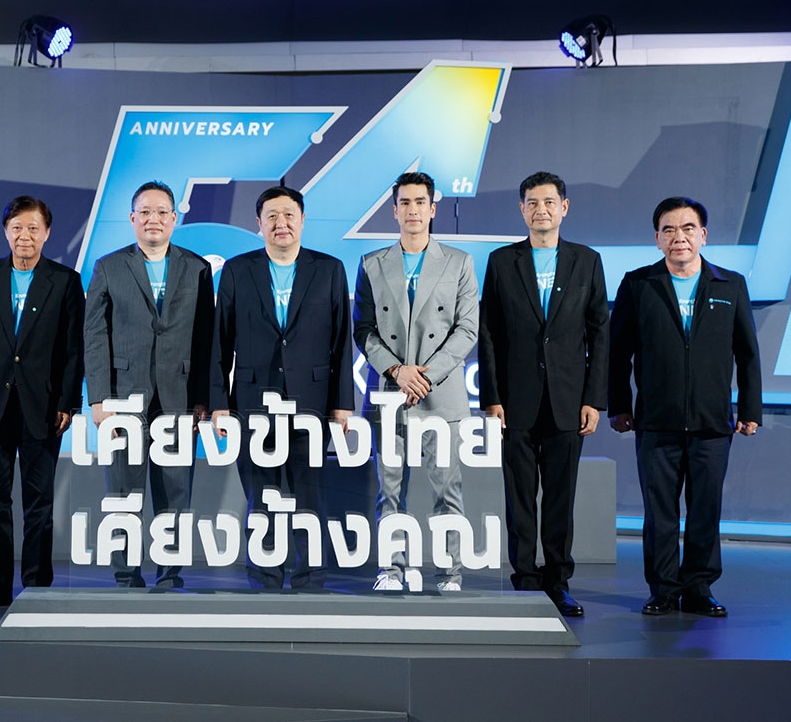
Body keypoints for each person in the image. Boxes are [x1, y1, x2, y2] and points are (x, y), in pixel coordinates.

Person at [609, 196, 761, 618]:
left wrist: (750, 409)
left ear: (703, 235)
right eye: (669, 230)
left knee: (705, 510)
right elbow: (617, 354)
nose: (679, 237)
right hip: (656, 422)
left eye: (688, 228)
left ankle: (698, 587)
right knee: (659, 512)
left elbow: (747, 354)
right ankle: (663, 588)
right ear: (657, 238)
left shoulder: (729, 285)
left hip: (713, 423)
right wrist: (619, 405)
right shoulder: (638, 284)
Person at [478, 171, 608, 617]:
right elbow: (489, 333)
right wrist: (491, 397)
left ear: (564, 208)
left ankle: (558, 581)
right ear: (522, 209)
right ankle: (524, 580)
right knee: (518, 499)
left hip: (568, 401)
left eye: (549, 202)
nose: (541, 210)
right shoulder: (502, 262)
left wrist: (593, 399)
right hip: (514, 402)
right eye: (532, 202)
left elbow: (599, 333)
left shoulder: (587, 261)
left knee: (560, 498)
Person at [211, 186, 354, 589]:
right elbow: (219, 341)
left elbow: (341, 343)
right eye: (271, 216)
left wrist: (342, 404)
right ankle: (264, 576)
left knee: (309, 496)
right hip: (252, 404)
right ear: (258, 223)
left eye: (289, 215)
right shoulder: (238, 270)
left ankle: (310, 577)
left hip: (312, 404)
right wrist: (219, 403)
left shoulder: (329, 269)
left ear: (302, 220)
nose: (281, 224)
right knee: (261, 497)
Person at [84, 181, 215, 588]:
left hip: (179, 397)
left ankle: (170, 573)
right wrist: (99, 398)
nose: (152, 219)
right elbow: (94, 335)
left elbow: (206, 338)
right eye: (144, 212)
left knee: (175, 491)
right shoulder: (108, 266)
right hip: (124, 397)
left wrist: (201, 399)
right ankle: (126, 575)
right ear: (132, 219)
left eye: (161, 212)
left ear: (174, 218)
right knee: (124, 491)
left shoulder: (197, 268)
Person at [0, 196, 84, 609]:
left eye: (32, 228)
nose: (24, 236)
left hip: (43, 407)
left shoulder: (65, 281)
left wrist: (68, 401)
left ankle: (36, 587)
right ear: (5, 232)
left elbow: (73, 349)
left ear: (47, 233)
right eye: (16, 227)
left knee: (38, 502)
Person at [354, 171, 478, 591]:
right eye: (404, 203)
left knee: (447, 491)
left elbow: (467, 329)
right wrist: (396, 371)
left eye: (419, 202)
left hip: (439, 394)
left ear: (432, 209)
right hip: (390, 393)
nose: (412, 210)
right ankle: (391, 569)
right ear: (394, 210)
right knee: (388, 491)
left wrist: (425, 375)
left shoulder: (459, 262)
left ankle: (450, 573)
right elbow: (363, 328)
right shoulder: (371, 263)